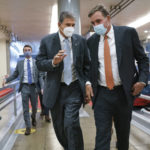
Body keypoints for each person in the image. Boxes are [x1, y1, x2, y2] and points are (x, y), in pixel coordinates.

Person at [87, 5, 149, 150]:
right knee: (102, 135)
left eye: (98, 21)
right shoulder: (91, 42)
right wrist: (88, 82)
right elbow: (89, 67)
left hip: (123, 93)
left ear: (108, 19)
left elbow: (143, 59)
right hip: (102, 94)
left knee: (123, 136)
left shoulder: (128, 33)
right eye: (93, 23)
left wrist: (142, 80)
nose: (96, 26)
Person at [36, 11, 92, 150]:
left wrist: (87, 82)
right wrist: (53, 62)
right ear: (59, 25)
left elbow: (87, 65)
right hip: (55, 90)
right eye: (68, 24)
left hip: (74, 89)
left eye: (73, 25)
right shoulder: (47, 41)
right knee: (59, 128)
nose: (71, 28)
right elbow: (39, 63)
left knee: (71, 124)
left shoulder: (80, 41)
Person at [2, 45, 38, 135]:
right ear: (23, 52)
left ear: (31, 51)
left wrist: (42, 87)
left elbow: (40, 75)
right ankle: (28, 127)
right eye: (25, 50)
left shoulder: (36, 63)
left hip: (34, 87)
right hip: (24, 87)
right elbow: (15, 75)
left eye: (29, 50)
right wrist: (6, 80)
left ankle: (33, 117)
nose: (27, 51)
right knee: (25, 108)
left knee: (34, 107)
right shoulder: (20, 63)